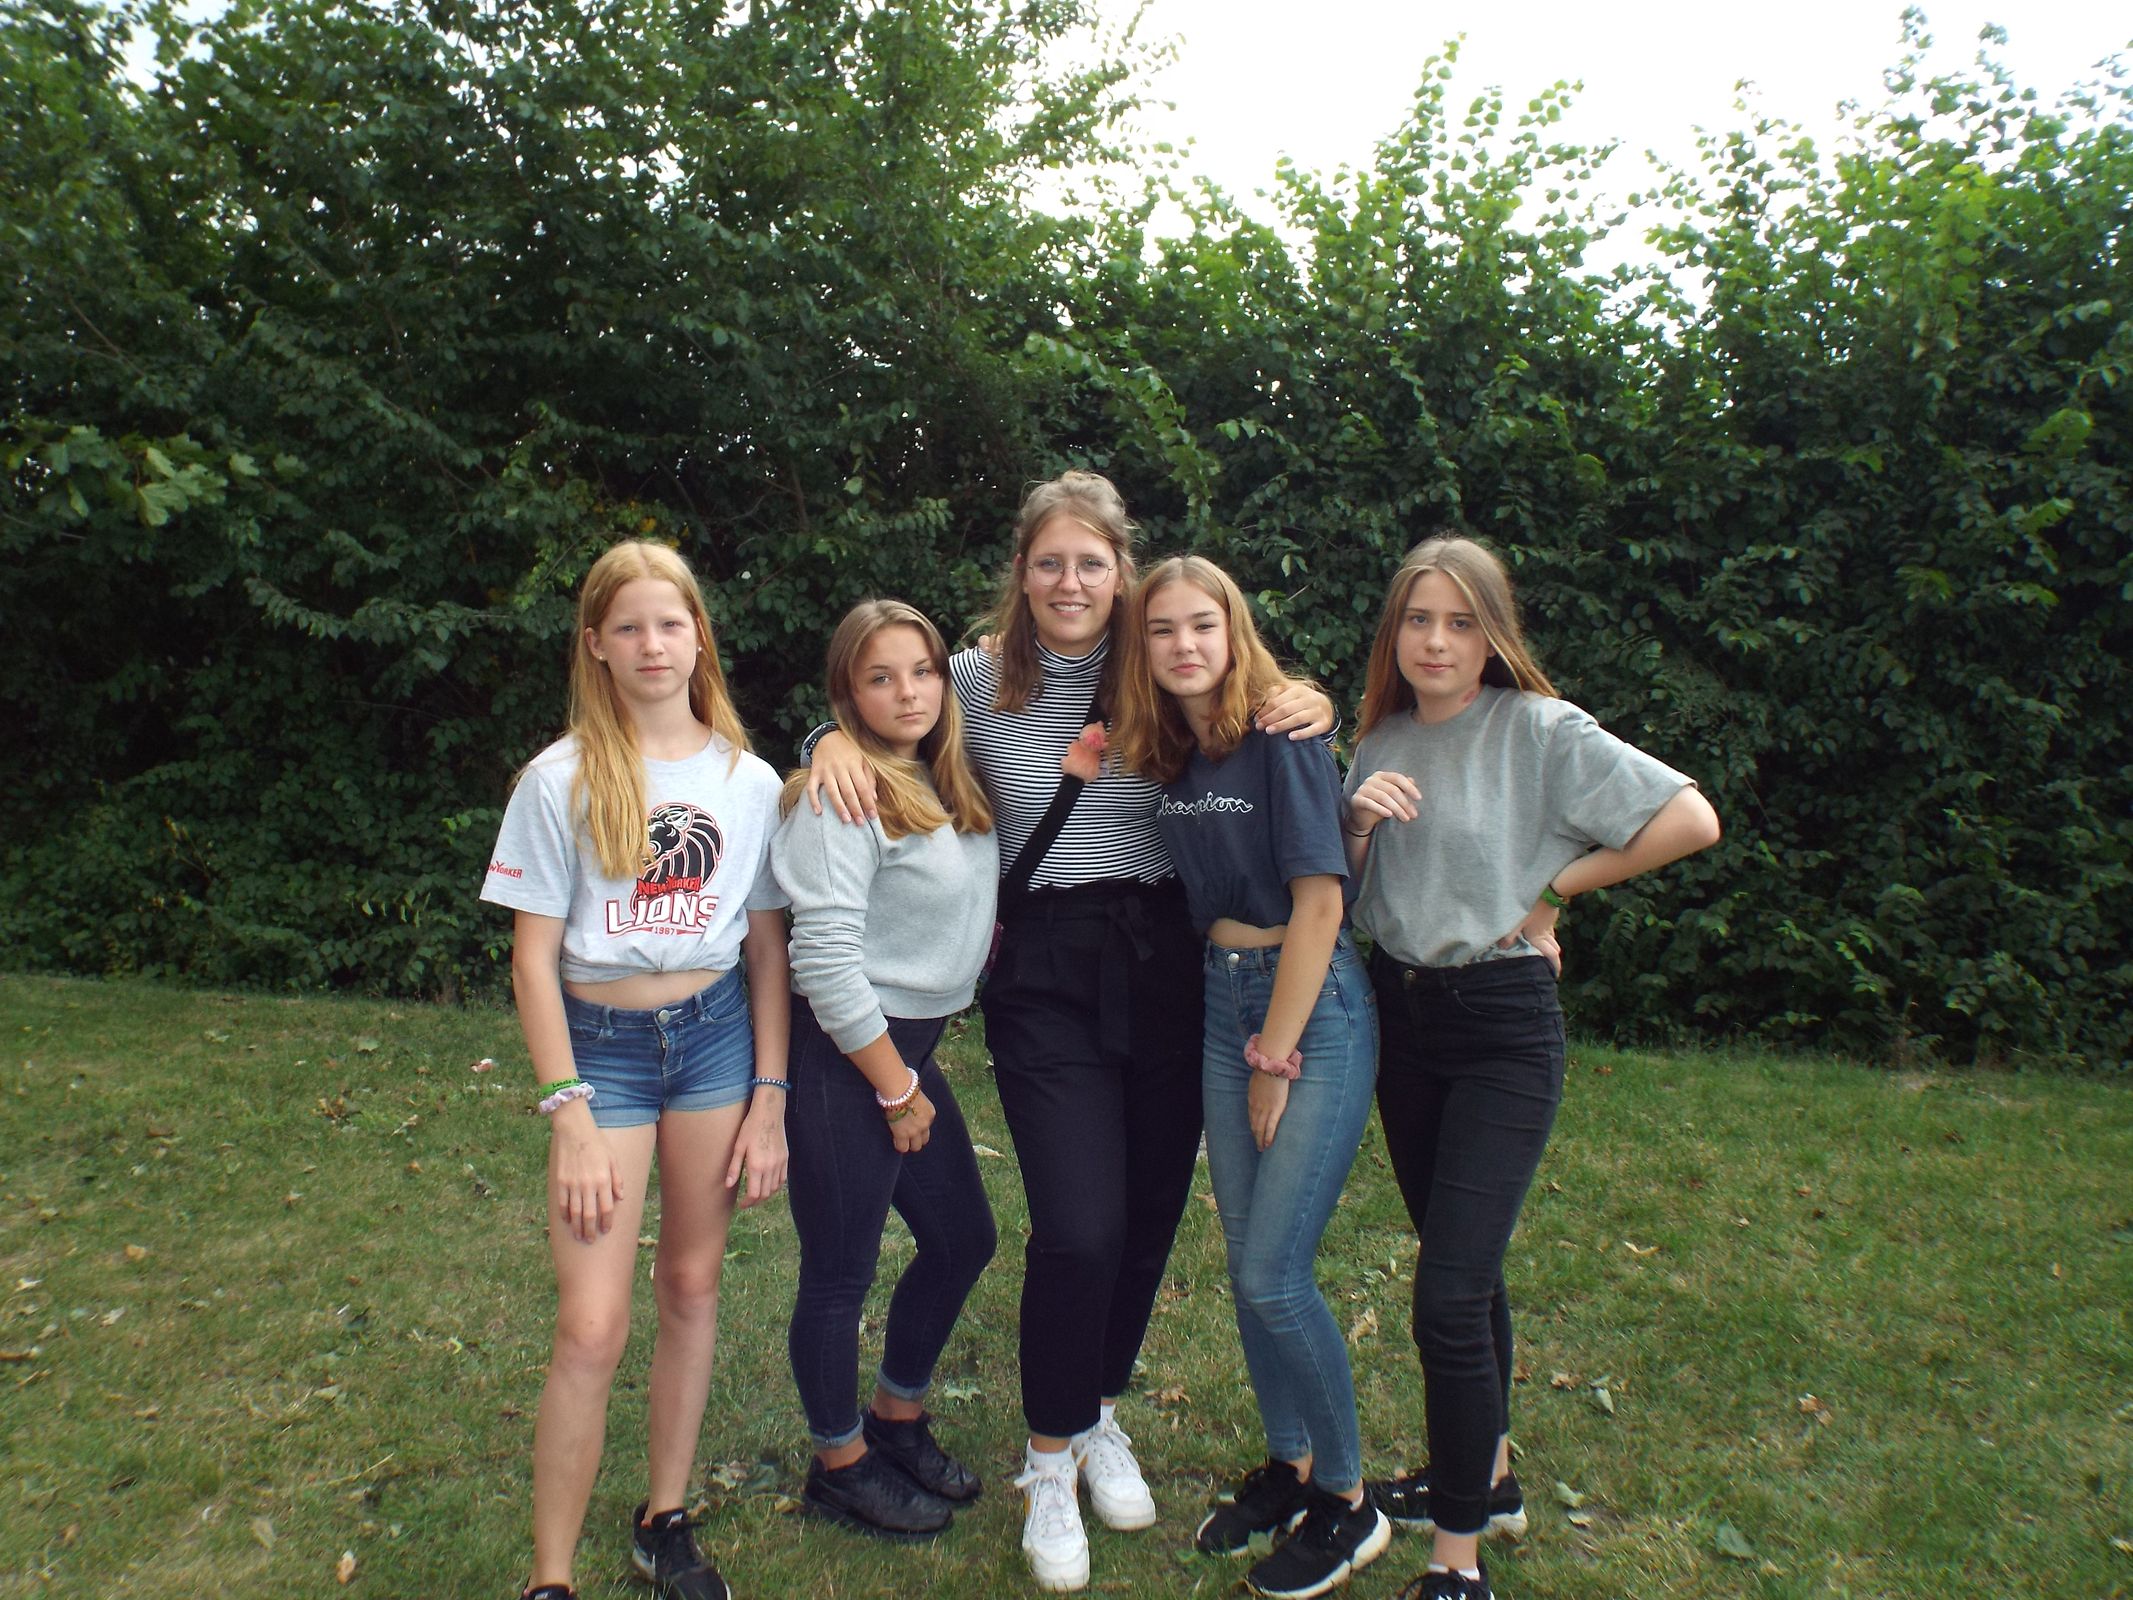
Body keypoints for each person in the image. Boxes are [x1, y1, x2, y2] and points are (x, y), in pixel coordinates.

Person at [804, 471, 1333, 1592]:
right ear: (1021, 569)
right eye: (1050, 562)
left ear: (1121, 569)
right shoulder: (976, 673)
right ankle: (1049, 1460)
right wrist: (822, 741)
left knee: (1145, 1218)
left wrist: (1309, 700)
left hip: (1166, 955)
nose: (1071, 581)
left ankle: (1096, 1412)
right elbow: (881, 701)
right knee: (1079, 1225)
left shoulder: (1155, 657)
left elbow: (1249, 692)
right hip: (1044, 965)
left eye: (1092, 562)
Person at [1341, 534, 1722, 1600]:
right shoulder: (1380, 741)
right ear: (1394, 632)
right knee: (1464, 1270)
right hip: (1400, 1022)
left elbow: (1690, 818)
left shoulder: (1541, 730)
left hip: (1500, 1027)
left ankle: (1457, 1563)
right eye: (1419, 620)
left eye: (1461, 622)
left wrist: (1556, 893)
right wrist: (1356, 826)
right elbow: (1354, 901)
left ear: (1493, 633)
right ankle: (1490, 1477)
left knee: (1445, 1297)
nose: (1436, 641)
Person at [482, 540, 793, 1600]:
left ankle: (665, 1519)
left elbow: (767, 951)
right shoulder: (557, 778)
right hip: (601, 1058)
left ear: (698, 636)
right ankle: (552, 1577)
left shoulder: (747, 781)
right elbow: (532, 960)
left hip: (714, 1043)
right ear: (596, 646)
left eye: (670, 623)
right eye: (629, 627)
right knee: (591, 1324)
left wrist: (770, 1096)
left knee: (692, 1284)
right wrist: (567, 1112)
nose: (653, 644)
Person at [1114, 556, 1392, 1600]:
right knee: (1245, 1262)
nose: (1184, 645)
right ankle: (1292, 1464)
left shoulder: (1284, 735)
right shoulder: (1170, 748)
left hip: (1306, 1005)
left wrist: (1274, 1055)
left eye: (1203, 625)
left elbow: (1321, 902)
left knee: (1277, 1269)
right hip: (1219, 994)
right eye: (1162, 630)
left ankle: (1350, 1502)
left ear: (1235, 633)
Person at [771, 599, 1001, 1542]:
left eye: (923, 671)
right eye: (879, 677)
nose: (908, 693)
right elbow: (823, 961)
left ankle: (895, 1421)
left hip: (908, 1049)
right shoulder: (840, 796)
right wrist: (896, 1090)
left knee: (961, 1240)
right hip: (849, 1054)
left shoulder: (945, 775)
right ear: (846, 693)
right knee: (839, 1272)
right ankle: (838, 1465)